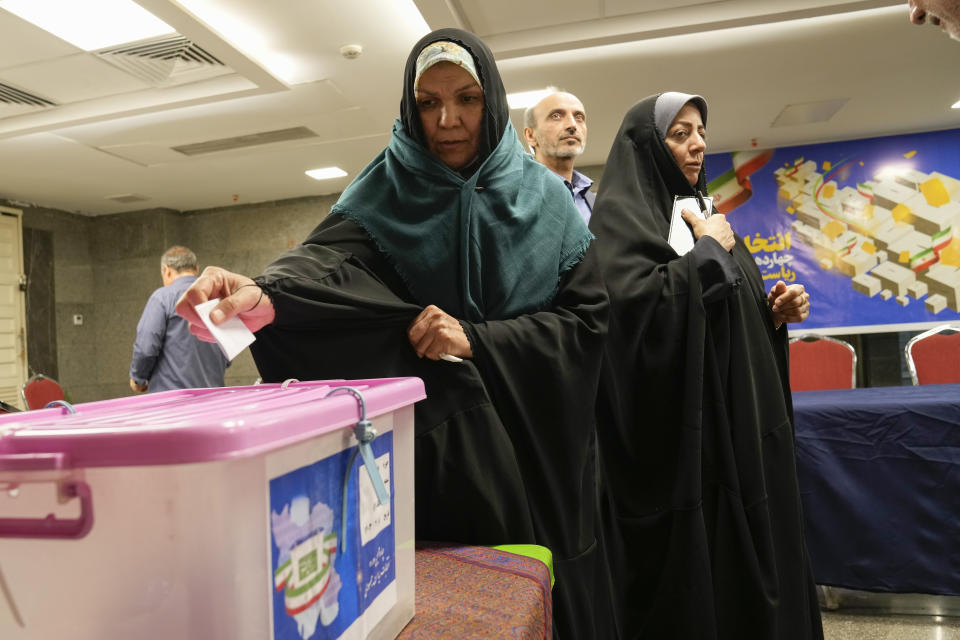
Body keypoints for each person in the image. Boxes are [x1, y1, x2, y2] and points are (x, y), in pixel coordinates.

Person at [176, 29, 616, 639]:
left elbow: (588, 323)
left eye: (466, 99)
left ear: (491, 100)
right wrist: (263, 293)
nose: (448, 120)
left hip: (539, 443)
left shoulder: (546, 199)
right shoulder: (385, 189)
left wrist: (477, 340)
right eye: (428, 103)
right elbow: (324, 267)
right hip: (441, 459)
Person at [589, 92, 822, 639]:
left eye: (700, 132)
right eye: (680, 133)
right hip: (682, 448)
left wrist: (773, 312)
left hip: (739, 429)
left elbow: (727, 306)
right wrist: (709, 257)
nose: (698, 145)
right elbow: (632, 321)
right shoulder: (620, 225)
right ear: (646, 145)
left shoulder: (708, 216)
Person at [129, 246, 228, 393]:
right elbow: (228, 351)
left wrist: (138, 379)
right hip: (214, 400)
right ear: (197, 268)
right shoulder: (215, 297)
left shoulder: (163, 297)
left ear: (167, 270)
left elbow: (146, 347)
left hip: (173, 403)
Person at [523, 91, 594, 223]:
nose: (572, 125)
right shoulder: (514, 197)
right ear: (530, 135)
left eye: (579, 117)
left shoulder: (596, 203)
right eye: (556, 116)